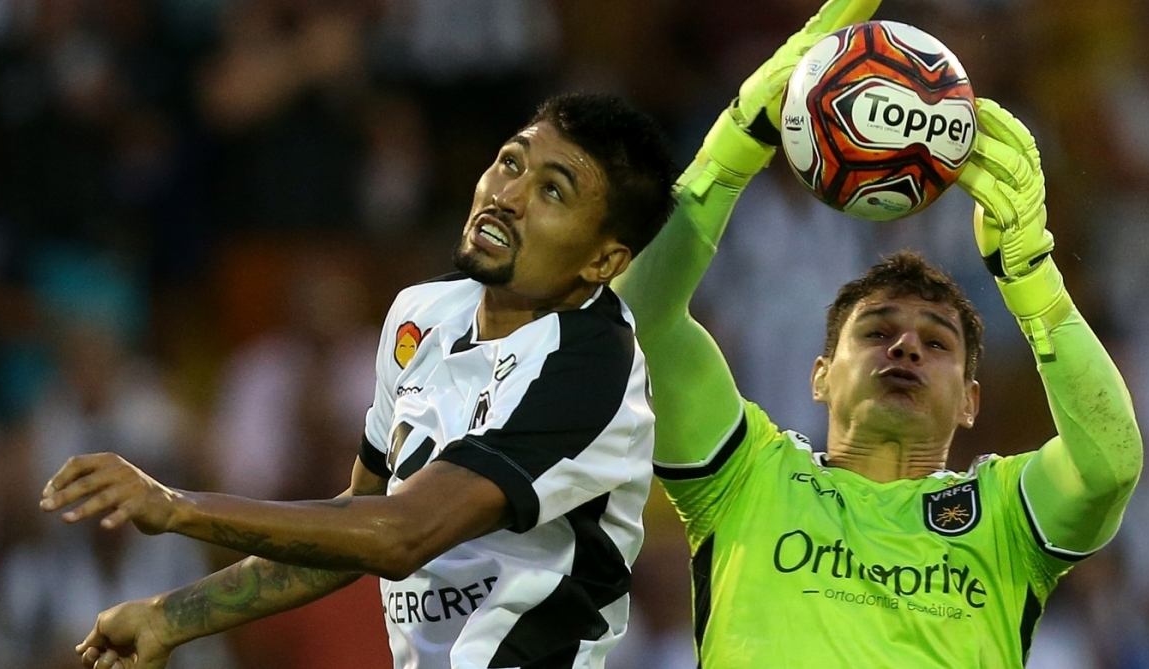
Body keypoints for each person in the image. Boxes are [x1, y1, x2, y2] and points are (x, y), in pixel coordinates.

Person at [40, 92, 676, 669]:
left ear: (605, 259)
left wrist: (177, 507)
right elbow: (359, 524)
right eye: (512, 163)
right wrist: (169, 617)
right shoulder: (420, 316)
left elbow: (400, 535)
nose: (506, 196)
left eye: (554, 192)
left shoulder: (591, 365)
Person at [610, 0, 1144, 666]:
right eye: (876, 330)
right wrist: (733, 147)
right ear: (821, 374)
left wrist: (1033, 279)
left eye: (939, 341)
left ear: (971, 400)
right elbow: (639, 321)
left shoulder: (1004, 517)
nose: (907, 345)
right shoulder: (749, 475)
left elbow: (1110, 464)